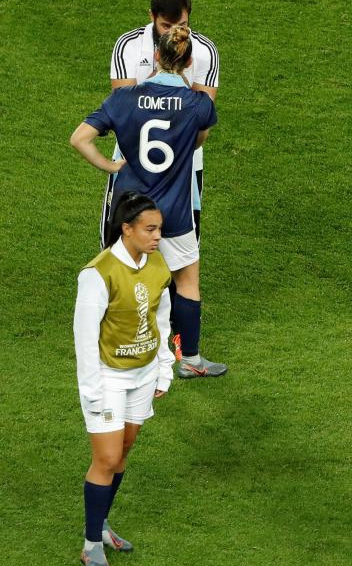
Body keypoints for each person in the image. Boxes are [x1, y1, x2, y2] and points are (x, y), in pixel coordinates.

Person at [71, 25, 226, 379]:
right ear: (188, 62)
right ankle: (189, 358)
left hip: (129, 208)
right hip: (174, 209)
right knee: (186, 282)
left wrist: (111, 165)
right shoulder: (199, 104)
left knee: (119, 279)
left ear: (155, 55)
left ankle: (110, 352)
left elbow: (79, 138)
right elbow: (199, 141)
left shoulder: (123, 99)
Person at [74, 192, 174, 566]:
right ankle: (90, 545)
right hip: (108, 378)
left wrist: (163, 369)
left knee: (124, 451)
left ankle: (100, 524)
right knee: (108, 457)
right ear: (126, 228)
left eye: (159, 229)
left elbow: (161, 319)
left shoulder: (158, 263)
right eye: (149, 229)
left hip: (144, 374)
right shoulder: (97, 274)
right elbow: (84, 340)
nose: (157, 236)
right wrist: (93, 394)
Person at [109, 0, 219, 240]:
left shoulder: (204, 51)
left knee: (180, 258)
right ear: (152, 17)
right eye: (166, 26)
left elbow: (202, 121)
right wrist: (165, 74)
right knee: (120, 252)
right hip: (133, 162)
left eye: (182, 25)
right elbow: (124, 114)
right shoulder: (128, 46)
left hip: (184, 166)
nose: (174, 33)